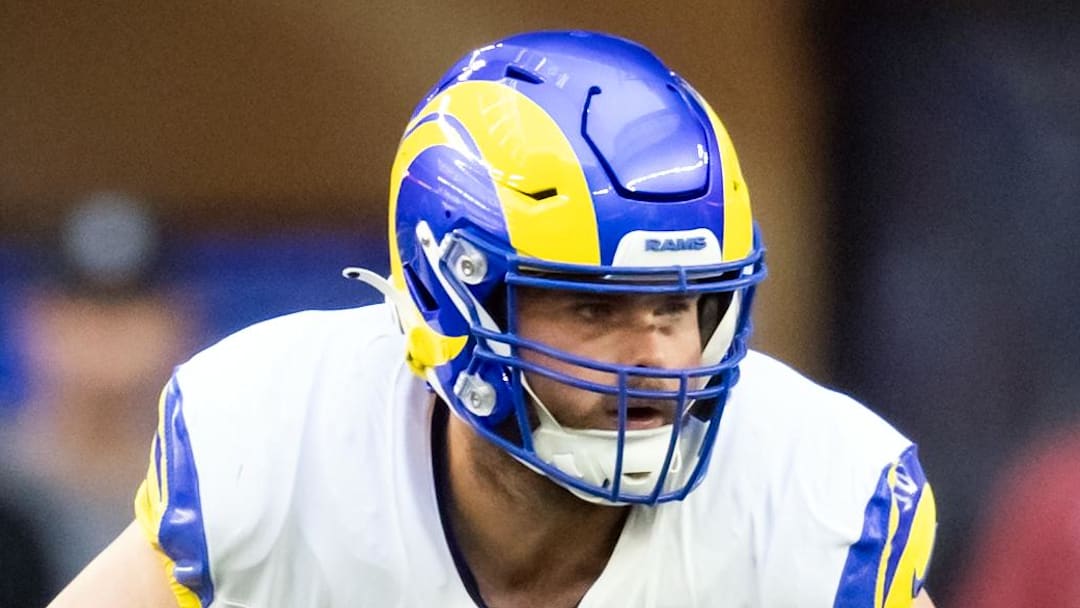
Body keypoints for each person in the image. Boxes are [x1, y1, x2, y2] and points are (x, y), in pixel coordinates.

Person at [50, 31, 937, 607]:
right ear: (448, 294)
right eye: (596, 307)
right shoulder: (277, 450)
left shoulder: (809, 509)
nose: (662, 361)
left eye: (682, 305)